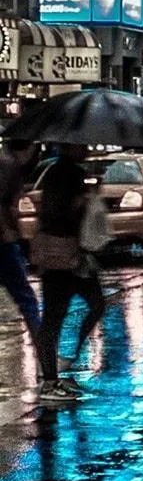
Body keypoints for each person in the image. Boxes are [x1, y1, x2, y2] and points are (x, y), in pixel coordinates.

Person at [33, 148, 108, 400]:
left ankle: (65, 361)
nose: (86, 149)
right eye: (81, 145)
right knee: (54, 317)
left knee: (96, 304)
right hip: (61, 255)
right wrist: (83, 202)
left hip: (76, 256)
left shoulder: (74, 173)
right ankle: (50, 381)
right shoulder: (60, 173)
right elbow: (56, 213)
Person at [0, 140, 41, 355]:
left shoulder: (9, 165)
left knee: (26, 299)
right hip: (4, 243)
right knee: (27, 300)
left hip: (7, 241)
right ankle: (46, 360)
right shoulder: (7, 165)